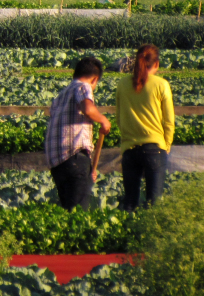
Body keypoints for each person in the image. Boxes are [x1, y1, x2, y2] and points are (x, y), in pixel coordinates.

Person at [44, 57, 112, 211]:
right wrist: (103, 120)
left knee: (68, 208)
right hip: (73, 156)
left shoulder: (61, 95)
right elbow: (88, 109)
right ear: (95, 79)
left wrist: (90, 170)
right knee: (79, 212)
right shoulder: (83, 86)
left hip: (56, 162)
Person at [115, 44, 174, 211]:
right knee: (153, 204)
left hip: (129, 149)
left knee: (130, 204)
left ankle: (129, 235)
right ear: (156, 64)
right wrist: (166, 144)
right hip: (154, 148)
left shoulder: (123, 84)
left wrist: (128, 138)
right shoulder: (161, 85)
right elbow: (169, 121)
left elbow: (119, 118)